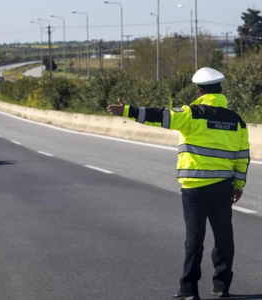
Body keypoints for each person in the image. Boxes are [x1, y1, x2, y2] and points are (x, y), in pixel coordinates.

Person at [106, 67, 250, 300]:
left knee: (194, 238)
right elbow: (243, 157)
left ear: (200, 91)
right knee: (224, 237)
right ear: (221, 90)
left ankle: (189, 290)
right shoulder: (238, 121)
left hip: (194, 188)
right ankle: (222, 287)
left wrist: (127, 110)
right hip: (223, 187)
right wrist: (239, 185)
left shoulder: (191, 113)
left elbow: (157, 116)